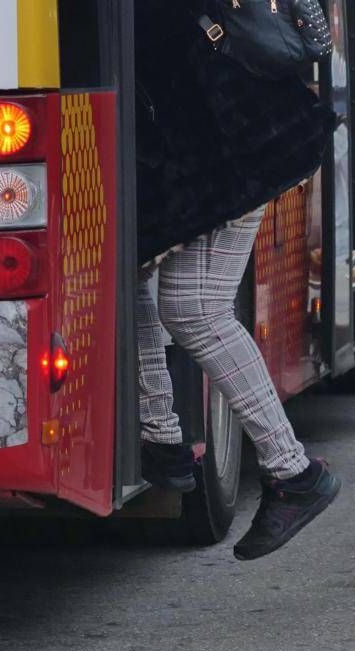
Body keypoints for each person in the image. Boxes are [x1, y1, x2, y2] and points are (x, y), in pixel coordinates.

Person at [134, 1, 340, 560]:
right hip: (219, 151)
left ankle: (293, 472)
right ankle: (163, 438)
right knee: (136, 272)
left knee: (195, 309)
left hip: (238, 148)